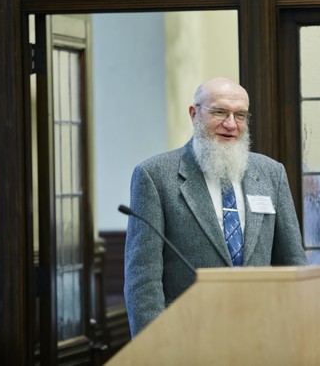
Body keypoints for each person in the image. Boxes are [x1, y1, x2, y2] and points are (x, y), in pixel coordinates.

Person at [124, 77, 307, 337]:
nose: (231, 124)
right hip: (187, 337)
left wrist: (298, 332)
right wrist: (154, 348)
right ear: (194, 113)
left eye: (240, 115)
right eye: (220, 112)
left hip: (262, 335)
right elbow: (143, 279)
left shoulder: (271, 173)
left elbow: (293, 263)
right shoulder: (154, 175)